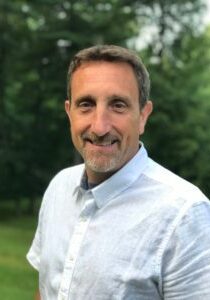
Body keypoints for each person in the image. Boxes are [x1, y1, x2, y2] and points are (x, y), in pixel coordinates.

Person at [27, 45, 210, 300]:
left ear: (143, 116)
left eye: (118, 105)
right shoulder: (59, 188)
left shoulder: (185, 215)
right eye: (86, 104)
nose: (100, 126)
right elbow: (46, 289)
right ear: (69, 113)